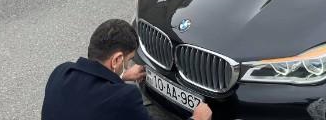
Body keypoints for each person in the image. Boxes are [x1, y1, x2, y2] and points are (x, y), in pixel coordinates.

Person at [42, 19, 212, 120]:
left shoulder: (61, 72)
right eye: (129, 59)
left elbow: (88, 95)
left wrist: (121, 75)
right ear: (116, 60)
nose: (129, 63)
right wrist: (198, 118)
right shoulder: (124, 97)